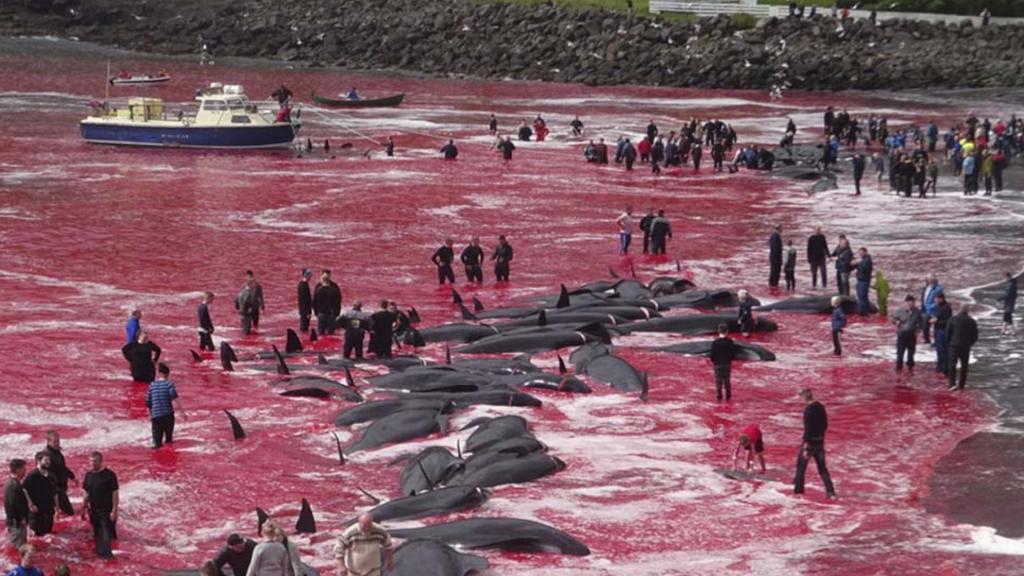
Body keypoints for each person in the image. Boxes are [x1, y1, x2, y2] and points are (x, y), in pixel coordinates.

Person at [793, 389, 836, 498]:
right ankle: (830, 492)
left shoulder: (808, 410)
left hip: (809, 443)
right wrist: (820, 436)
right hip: (820, 441)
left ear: (804, 398)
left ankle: (798, 491)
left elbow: (808, 429)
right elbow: (826, 424)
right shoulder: (821, 407)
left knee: (801, 467)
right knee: (822, 468)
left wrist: (806, 445)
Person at [81, 451, 119, 556]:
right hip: (93, 510)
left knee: (107, 534)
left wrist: (114, 510)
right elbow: (86, 493)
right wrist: (83, 509)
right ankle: (104, 551)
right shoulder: (88, 475)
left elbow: (115, 493)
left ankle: (107, 556)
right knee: (98, 533)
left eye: (95, 462)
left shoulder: (109, 475)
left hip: (107, 510)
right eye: (91, 462)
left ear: (101, 461)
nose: (93, 464)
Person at [146, 363, 186, 448]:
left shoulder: (152, 385)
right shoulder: (169, 384)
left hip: (156, 416)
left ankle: (156, 459)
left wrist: (152, 415)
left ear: (158, 373)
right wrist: (182, 412)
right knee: (168, 441)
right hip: (168, 416)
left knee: (157, 443)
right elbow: (175, 398)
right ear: (167, 374)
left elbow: (148, 403)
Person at [946, 304, 979, 390]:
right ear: (967, 311)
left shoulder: (953, 319)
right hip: (965, 346)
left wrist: (949, 343)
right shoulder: (972, 321)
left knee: (952, 365)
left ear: (959, 310)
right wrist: (969, 343)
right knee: (964, 366)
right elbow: (975, 336)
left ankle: (952, 384)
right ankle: (962, 385)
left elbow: (948, 333)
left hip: (954, 345)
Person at [42, 431, 75, 517]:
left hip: (60, 487)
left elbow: (62, 467)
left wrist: (72, 477)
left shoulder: (56, 452)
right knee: (70, 513)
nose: (58, 443)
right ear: (48, 442)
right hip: (56, 489)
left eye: (58, 441)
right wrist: (56, 490)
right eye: (55, 441)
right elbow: (48, 475)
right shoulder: (47, 456)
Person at [23, 452, 56, 537]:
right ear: (38, 461)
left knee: (48, 535)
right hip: (36, 512)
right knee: (37, 536)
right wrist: (31, 504)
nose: (48, 462)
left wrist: (57, 508)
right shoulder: (32, 475)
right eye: (46, 460)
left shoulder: (51, 475)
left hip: (49, 511)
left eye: (49, 460)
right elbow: (24, 489)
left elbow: (55, 492)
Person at [892, 295, 923, 374]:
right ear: (906, 303)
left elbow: (921, 322)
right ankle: (899, 368)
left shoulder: (917, 312)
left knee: (911, 353)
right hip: (902, 335)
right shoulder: (900, 311)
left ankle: (910, 367)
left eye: (912, 303)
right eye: (909, 303)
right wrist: (896, 322)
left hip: (912, 335)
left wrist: (918, 330)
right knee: (900, 353)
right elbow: (893, 318)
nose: (911, 304)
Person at [4, 459, 29, 549]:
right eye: (24, 468)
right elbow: (12, 504)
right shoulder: (13, 485)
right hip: (16, 523)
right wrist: (20, 518)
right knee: (19, 548)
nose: (25, 471)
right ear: (18, 469)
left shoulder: (11, 482)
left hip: (16, 522)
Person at [710, 324, 736, 401]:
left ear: (718, 331)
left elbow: (712, 354)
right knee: (727, 380)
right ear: (727, 331)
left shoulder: (715, 342)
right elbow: (732, 353)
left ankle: (719, 395)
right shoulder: (730, 342)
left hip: (717, 364)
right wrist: (729, 359)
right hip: (727, 363)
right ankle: (728, 395)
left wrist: (714, 361)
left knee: (718, 380)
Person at [313, 270, 342, 335]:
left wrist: (315, 312)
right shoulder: (334, 288)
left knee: (321, 332)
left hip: (324, 313)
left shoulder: (319, 288)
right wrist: (337, 312)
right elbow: (338, 300)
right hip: (329, 313)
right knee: (330, 332)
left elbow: (314, 301)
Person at [932, 292, 953, 374]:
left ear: (941, 298)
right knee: (939, 350)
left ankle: (944, 369)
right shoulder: (939, 307)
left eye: (936, 298)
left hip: (943, 331)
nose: (935, 300)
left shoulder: (946, 308)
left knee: (943, 351)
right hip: (938, 331)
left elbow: (948, 321)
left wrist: (936, 322)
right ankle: (940, 367)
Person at [920, 274, 944, 344]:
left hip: (934, 310)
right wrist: (923, 309)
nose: (930, 280)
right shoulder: (925, 288)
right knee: (925, 326)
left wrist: (932, 306)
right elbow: (923, 298)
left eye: (931, 279)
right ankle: (927, 340)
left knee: (936, 326)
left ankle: (936, 342)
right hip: (926, 310)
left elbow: (939, 299)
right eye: (928, 279)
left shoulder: (938, 288)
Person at [854, 247, 873, 316]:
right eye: (859, 252)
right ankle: (865, 310)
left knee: (862, 296)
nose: (859, 253)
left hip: (864, 280)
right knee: (862, 296)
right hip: (861, 279)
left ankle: (863, 312)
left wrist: (858, 263)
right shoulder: (864, 259)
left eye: (861, 252)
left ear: (865, 252)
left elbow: (864, 269)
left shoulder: (866, 260)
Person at [999, 272, 1017, 337]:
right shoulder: (1012, 284)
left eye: (1004, 277)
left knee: (1007, 317)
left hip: (1009, 304)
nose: (1004, 279)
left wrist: (1000, 298)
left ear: (1007, 277)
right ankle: (1004, 331)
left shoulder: (1011, 285)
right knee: (1007, 317)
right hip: (1010, 303)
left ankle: (1009, 332)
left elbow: (1007, 295)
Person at [297, 269, 313, 333]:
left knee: (304, 326)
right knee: (304, 327)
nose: (311, 277)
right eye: (310, 275)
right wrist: (308, 312)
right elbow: (304, 300)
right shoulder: (303, 285)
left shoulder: (302, 284)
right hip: (305, 311)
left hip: (303, 310)